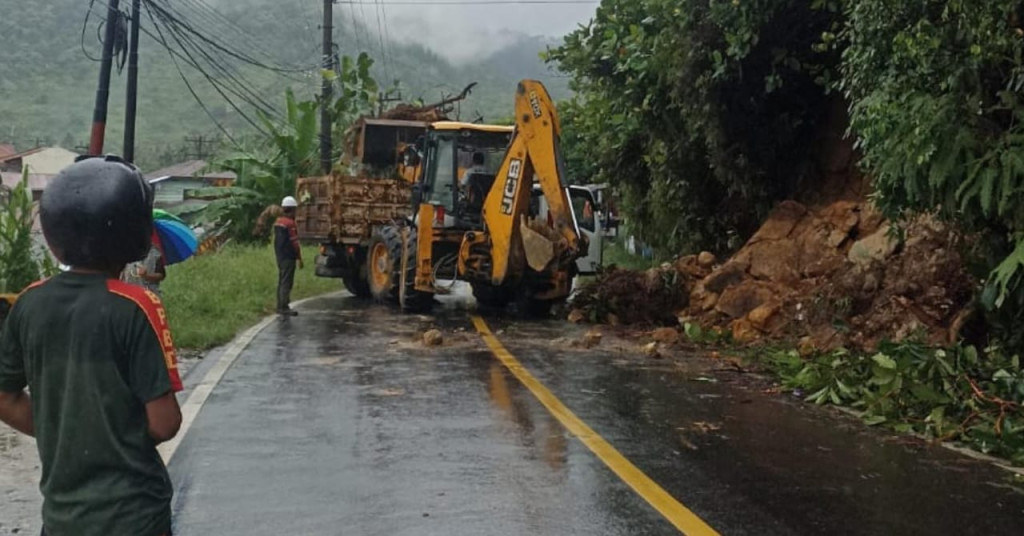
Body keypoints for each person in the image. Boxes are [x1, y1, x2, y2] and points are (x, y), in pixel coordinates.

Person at [0, 155, 183, 536]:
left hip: (62, 518)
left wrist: (65, 431)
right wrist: (113, 437)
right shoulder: (137, 305)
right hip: (134, 516)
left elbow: (6, 398)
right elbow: (164, 423)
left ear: (53, 237)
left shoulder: (29, 302)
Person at [274, 196, 304, 316]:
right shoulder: (290, 224)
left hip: (280, 256)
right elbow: (294, 242)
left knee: (282, 280)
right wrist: (299, 258)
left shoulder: (278, 222)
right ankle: (284, 307)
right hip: (289, 257)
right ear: (292, 209)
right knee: (287, 282)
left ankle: (280, 305)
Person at [122, 229, 166, 296]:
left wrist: (146, 276)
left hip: (149, 293)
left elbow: (161, 275)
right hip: (129, 293)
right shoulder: (124, 251)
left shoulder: (154, 253)